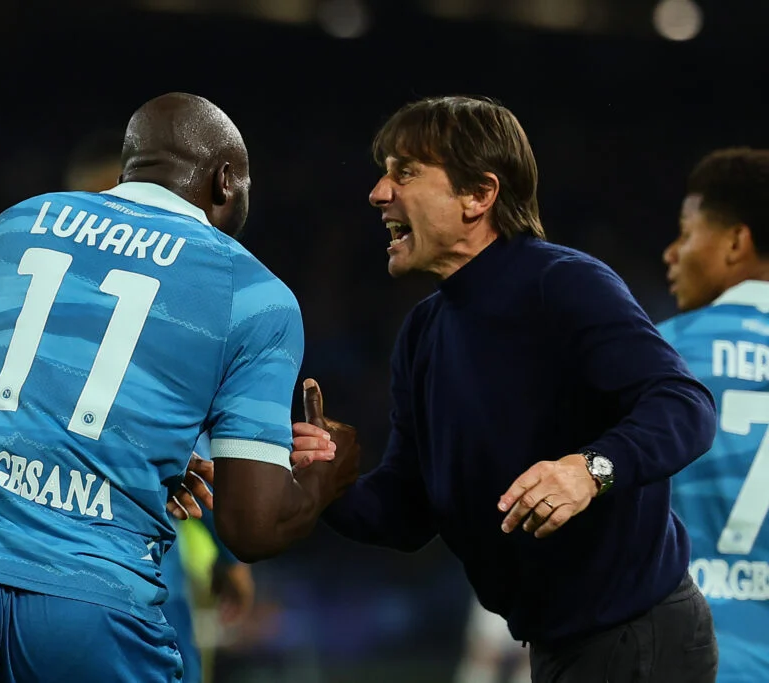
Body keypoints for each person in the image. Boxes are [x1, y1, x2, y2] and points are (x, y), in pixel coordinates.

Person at [0, 92, 354, 683]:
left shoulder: (13, 226)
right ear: (225, 181)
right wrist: (328, 477)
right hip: (91, 600)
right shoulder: (252, 292)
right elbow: (252, 526)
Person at [289, 95, 719, 682]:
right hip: (560, 647)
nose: (378, 192)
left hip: (637, 638)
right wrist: (328, 487)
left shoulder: (565, 284)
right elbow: (407, 513)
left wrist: (588, 470)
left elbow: (685, 405)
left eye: (405, 173)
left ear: (479, 194)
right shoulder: (422, 333)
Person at [65, 127, 258, 683]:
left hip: (38, 564)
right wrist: (230, 554)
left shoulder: (36, 304)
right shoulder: (164, 311)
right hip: (138, 568)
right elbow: (193, 449)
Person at [658, 147, 769, 683]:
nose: (671, 253)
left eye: (685, 233)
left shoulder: (656, 356)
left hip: (681, 657)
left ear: (735, 242)